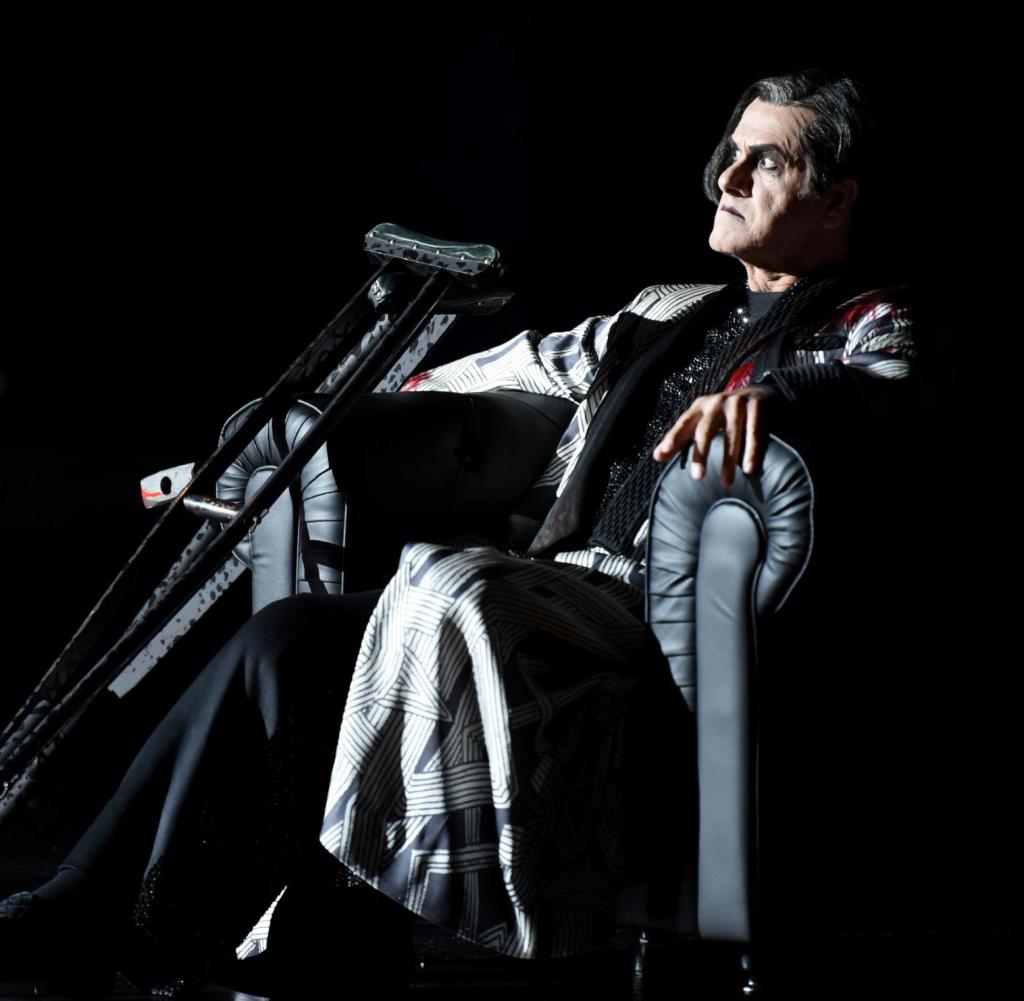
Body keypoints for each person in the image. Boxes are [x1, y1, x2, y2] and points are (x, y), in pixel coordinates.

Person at [0, 67, 935, 998]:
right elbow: (512, 368)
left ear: (836, 198)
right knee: (288, 640)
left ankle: (336, 908)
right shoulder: (665, 312)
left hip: (649, 619)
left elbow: (899, 385)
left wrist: (786, 391)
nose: (726, 177)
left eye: (764, 162)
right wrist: (282, 437)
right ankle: (84, 909)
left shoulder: (878, 319)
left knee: (449, 581)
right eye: (729, 152)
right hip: (552, 591)